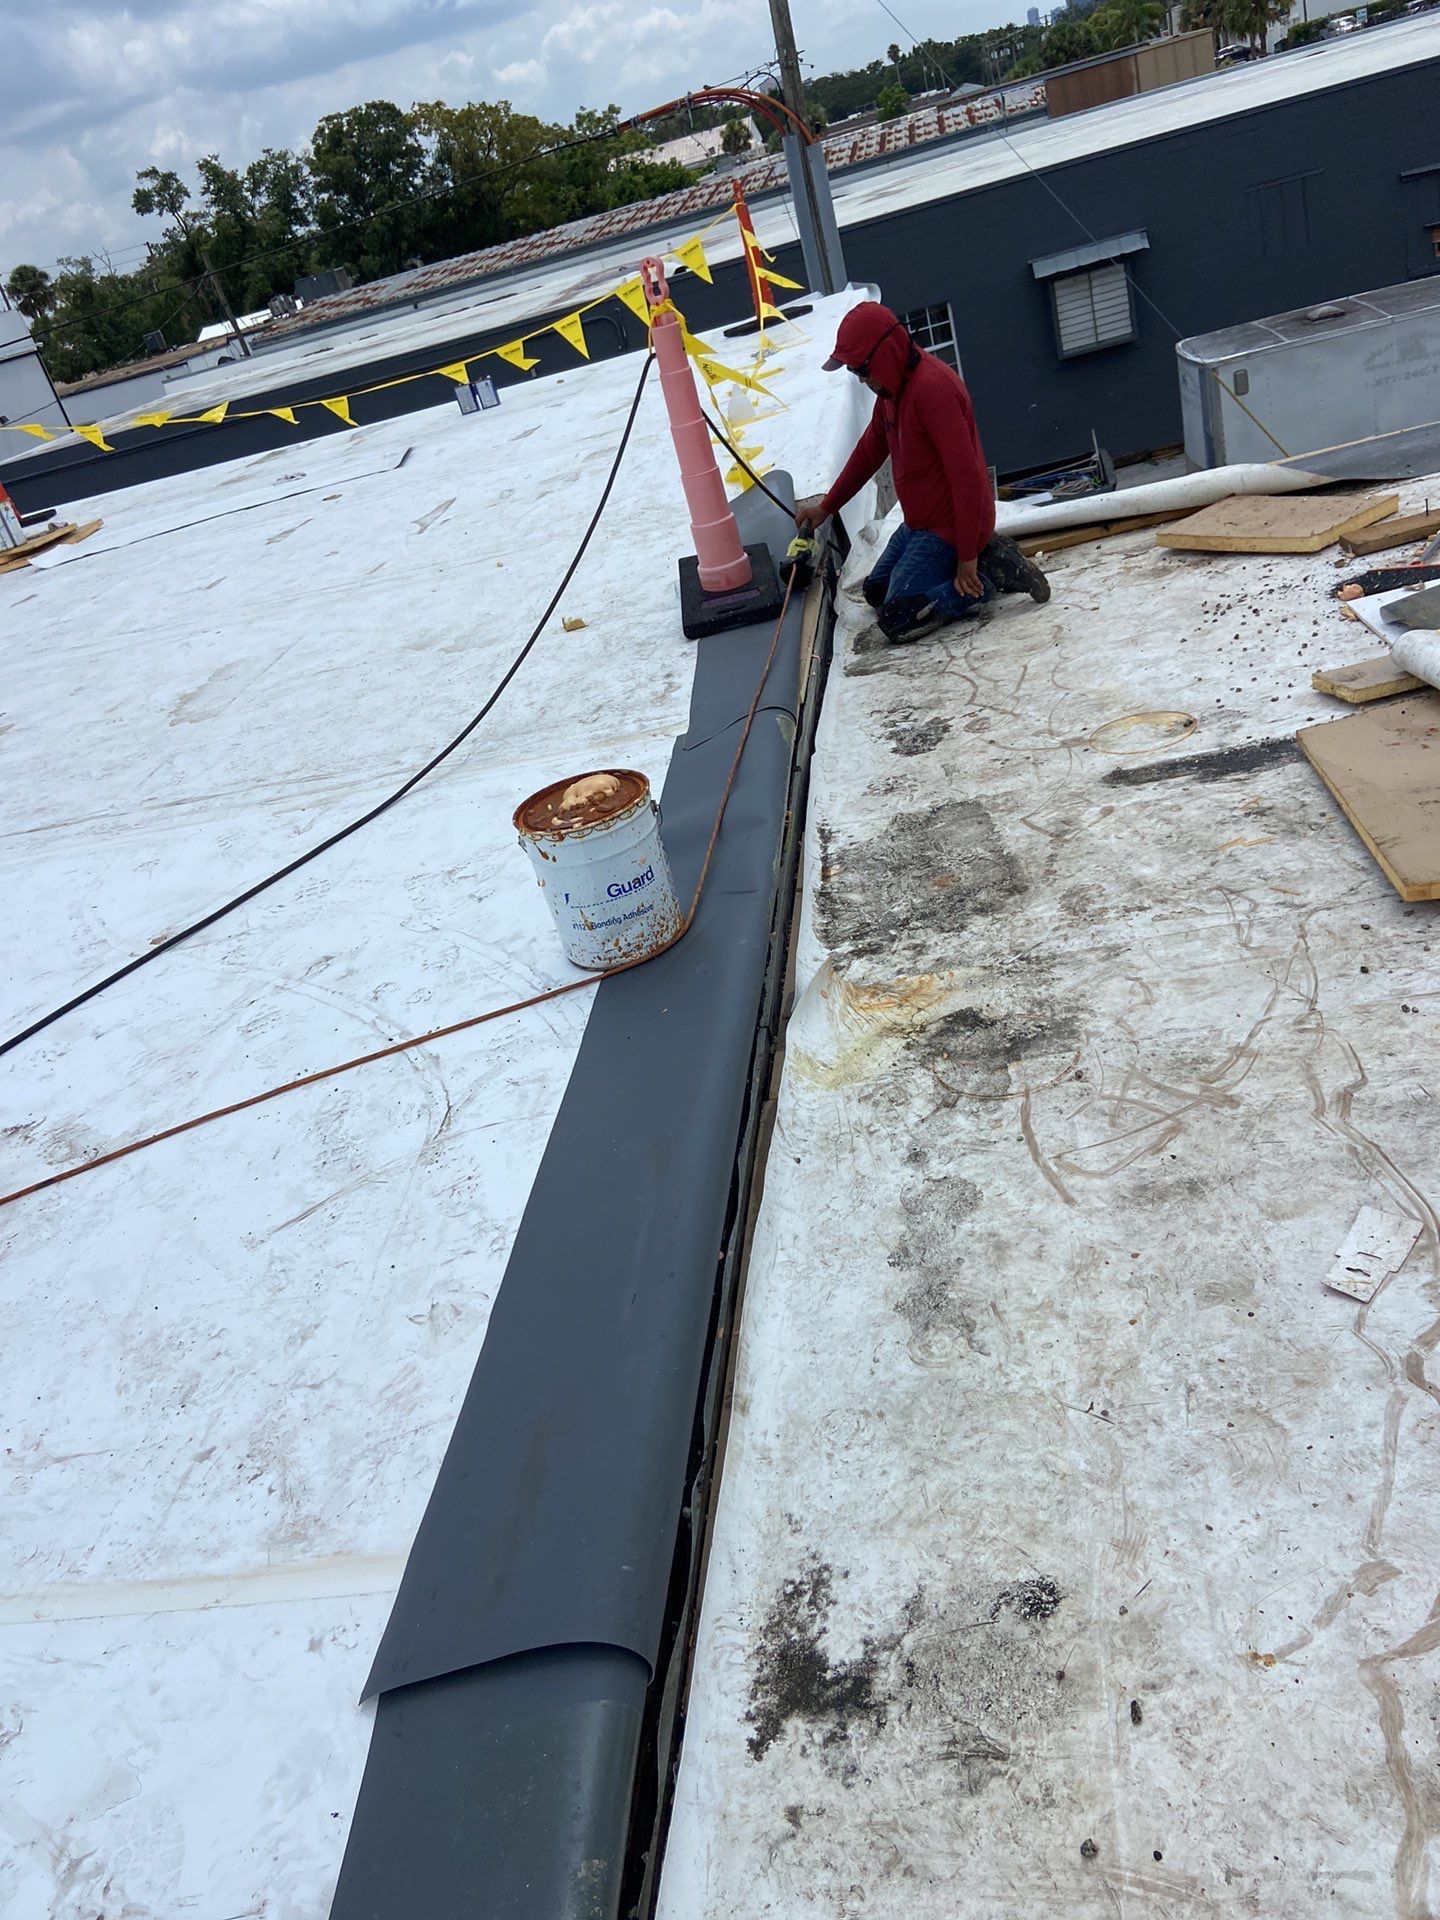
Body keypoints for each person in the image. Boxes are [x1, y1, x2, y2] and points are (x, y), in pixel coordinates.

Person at [796, 302, 1049, 644]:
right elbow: (868, 453)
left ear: (885, 351)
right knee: (876, 592)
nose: (862, 379)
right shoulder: (890, 391)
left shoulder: (934, 390)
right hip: (918, 524)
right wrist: (826, 508)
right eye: (854, 372)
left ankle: (994, 571)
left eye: (863, 369)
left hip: (949, 528)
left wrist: (967, 556)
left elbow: (968, 479)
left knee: (898, 617)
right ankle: (968, 565)